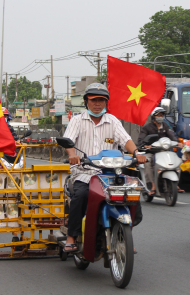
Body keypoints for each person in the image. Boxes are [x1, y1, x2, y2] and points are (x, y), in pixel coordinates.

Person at [62, 83, 146, 252]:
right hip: (85, 172)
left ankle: (125, 235)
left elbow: (126, 140)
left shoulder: (113, 121)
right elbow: (68, 141)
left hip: (111, 173)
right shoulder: (77, 120)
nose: (97, 103)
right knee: (81, 195)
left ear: (106, 102)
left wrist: (136, 152)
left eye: (101, 100)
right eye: (94, 100)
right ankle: (71, 237)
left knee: (133, 195)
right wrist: (72, 155)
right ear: (86, 102)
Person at [137, 107, 184, 195]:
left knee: (177, 160)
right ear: (153, 116)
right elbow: (141, 140)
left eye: (162, 115)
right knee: (147, 162)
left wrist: (178, 143)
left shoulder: (165, 126)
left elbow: (172, 135)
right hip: (151, 152)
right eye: (158, 115)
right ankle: (152, 185)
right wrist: (144, 145)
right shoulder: (147, 127)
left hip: (164, 151)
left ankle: (176, 184)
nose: (160, 117)